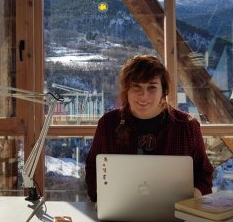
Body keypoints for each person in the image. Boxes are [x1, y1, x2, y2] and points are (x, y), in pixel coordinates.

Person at [85, 54, 214, 202]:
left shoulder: (187, 126)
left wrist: (193, 197)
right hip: (120, 212)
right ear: (127, 90)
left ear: (164, 91)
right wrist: (102, 201)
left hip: (174, 215)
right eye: (136, 86)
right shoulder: (108, 124)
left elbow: (204, 174)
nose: (144, 95)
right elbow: (93, 168)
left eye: (152, 87)